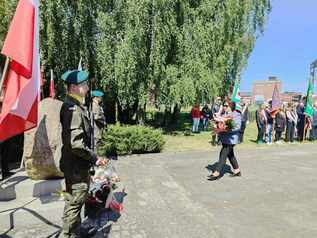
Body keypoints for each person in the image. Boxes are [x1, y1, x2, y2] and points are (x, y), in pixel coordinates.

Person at [59, 70, 108, 238]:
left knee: (75, 202)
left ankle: (75, 232)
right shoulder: (72, 109)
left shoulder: (76, 106)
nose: (87, 88)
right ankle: (67, 234)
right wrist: (94, 157)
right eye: (84, 85)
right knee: (73, 205)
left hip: (76, 166)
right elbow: (76, 144)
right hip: (76, 168)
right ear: (73, 87)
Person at [208, 101, 242, 180]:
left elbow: (237, 127)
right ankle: (237, 171)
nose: (224, 107)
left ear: (231, 106)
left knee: (223, 154)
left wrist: (226, 129)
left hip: (231, 139)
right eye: (224, 105)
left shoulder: (236, 115)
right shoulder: (223, 115)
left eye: (226, 105)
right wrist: (216, 125)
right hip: (224, 139)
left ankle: (216, 173)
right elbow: (219, 123)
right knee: (230, 155)